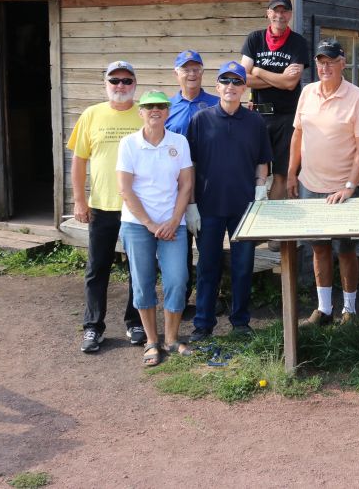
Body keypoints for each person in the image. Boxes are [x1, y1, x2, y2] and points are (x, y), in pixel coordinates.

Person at [287, 40, 359, 326]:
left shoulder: (358, 97)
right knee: (319, 248)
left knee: (346, 250)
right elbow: (297, 135)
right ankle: (324, 309)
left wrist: (349, 186)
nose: (325, 67)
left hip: (344, 189)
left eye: (331, 61)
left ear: (342, 62)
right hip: (310, 184)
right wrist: (291, 172)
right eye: (321, 61)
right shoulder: (307, 92)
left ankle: (350, 310)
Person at [186, 62, 272, 342]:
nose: (231, 87)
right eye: (226, 82)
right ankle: (203, 324)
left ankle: (240, 321)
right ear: (217, 87)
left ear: (245, 88)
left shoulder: (255, 122)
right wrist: (190, 203)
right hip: (208, 207)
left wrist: (261, 189)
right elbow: (190, 164)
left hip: (243, 208)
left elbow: (263, 161)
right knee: (208, 267)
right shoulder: (201, 119)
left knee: (243, 267)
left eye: (237, 82)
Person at [68, 61, 144, 353]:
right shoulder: (91, 115)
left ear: (135, 84)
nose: (121, 86)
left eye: (127, 81)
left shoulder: (144, 114)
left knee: (139, 269)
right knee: (97, 269)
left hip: (136, 209)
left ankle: (135, 322)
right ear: (106, 84)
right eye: (115, 81)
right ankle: (92, 327)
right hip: (101, 206)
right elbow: (79, 160)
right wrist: (79, 199)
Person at [116, 91, 193, 367]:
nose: (155, 110)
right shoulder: (128, 144)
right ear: (141, 112)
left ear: (168, 111)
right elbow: (125, 189)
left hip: (174, 224)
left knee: (176, 280)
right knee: (143, 282)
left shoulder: (179, 142)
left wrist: (173, 221)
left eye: (161, 106)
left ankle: (171, 339)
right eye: (149, 106)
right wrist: (150, 224)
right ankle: (151, 341)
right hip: (138, 225)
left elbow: (186, 184)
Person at [240, 0, 309, 205]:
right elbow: (242, 78)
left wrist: (259, 70)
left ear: (289, 14)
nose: (280, 15)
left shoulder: (298, 43)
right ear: (268, 13)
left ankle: (272, 231)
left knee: (282, 173)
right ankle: (249, 223)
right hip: (258, 115)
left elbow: (291, 84)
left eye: (284, 11)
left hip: (287, 117)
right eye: (276, 10)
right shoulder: (254, 39)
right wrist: (279, 78)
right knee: (252, 171)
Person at [165, 49, 219, 315]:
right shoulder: (166, 108)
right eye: (186, 69)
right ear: (177, 73)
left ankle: (210, 298)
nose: (192, 73)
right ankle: (182, 300)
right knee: (180, 248)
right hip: (175, 190)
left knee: (209, 247)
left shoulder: (215, 102)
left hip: (208, 187)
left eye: (196, 68)